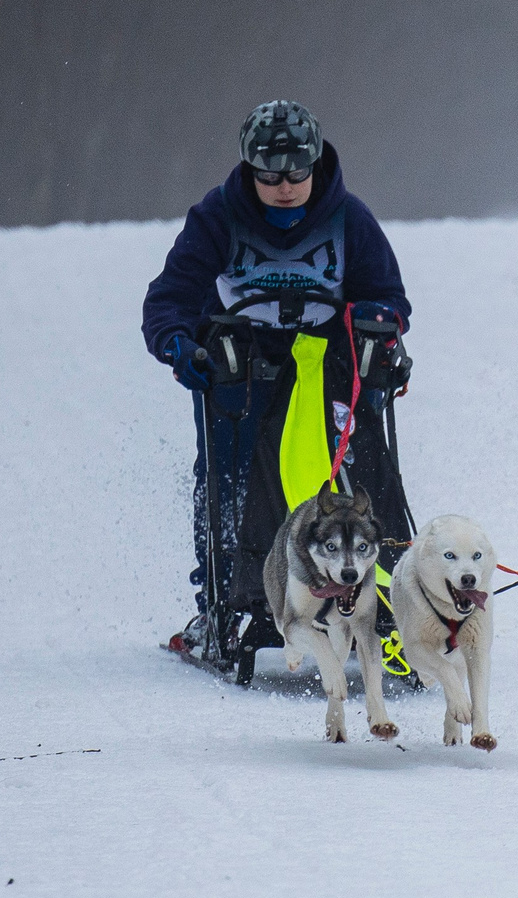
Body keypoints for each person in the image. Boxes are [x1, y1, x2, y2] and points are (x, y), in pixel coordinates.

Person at [142, 100, 413, 661]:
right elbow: (169, 299)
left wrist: (382, 333)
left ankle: (385, 602)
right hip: (244, 364)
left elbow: (389, 297)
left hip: (329, 364)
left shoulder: (349, 219)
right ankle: (227, 600)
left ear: (315, 164)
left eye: (296, 172)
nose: (285, 186)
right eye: (270, 174)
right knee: (228, 478)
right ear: (250, 169)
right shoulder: (218, 217)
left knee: (362, 477)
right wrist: (179, 345)